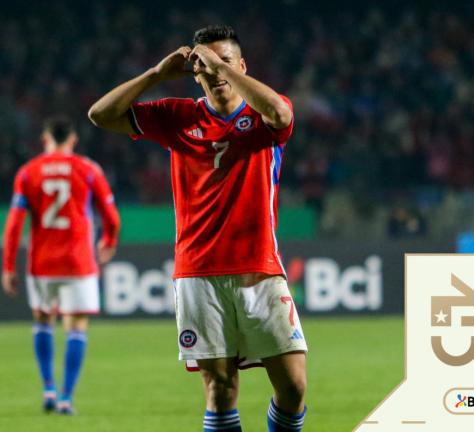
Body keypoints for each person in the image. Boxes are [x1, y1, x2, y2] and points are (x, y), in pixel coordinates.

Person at [89, 25, 307, 432]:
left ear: (242, 66)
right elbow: (100, 115)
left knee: (293, 386)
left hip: (259, 269)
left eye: (225, 63)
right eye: (205, 67)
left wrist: (221, 67)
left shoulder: (265, 114)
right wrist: (155, 73)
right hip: (198, 273)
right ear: (195, 74)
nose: (215, 73)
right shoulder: (177, 116)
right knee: (220, 390)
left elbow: (282, 114)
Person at [2, 116, 120, 415]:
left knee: (43, 321)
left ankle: (48, 389)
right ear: (73, 140)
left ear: (44, 139)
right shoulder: (89, 169)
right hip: (78, 261)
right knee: (76, 326)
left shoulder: (29, 173)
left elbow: (14, 225)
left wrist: (8, 266)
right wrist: (109, 239)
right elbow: (112, 216)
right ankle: (67, 396)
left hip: (42, 262)